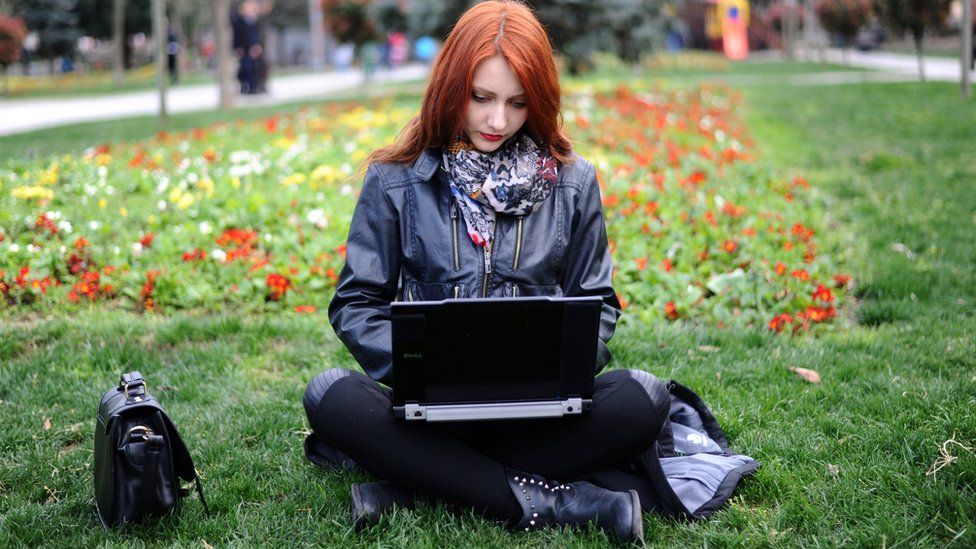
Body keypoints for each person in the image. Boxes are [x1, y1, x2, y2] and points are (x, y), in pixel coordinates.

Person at [303, 1, 750, 543]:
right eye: (481, 98)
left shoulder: (573, 182)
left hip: (536, 413)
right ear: (451, 87)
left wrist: (550, 369)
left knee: (644, 398)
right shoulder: (395, 180)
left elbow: (598, 304)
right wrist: (425, 366)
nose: (498, 121)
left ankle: (420, 484)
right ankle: (558, 501)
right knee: (331, 395)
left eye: (517, 103)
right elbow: (356, 303)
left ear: (538, 100)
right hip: (431, 410)